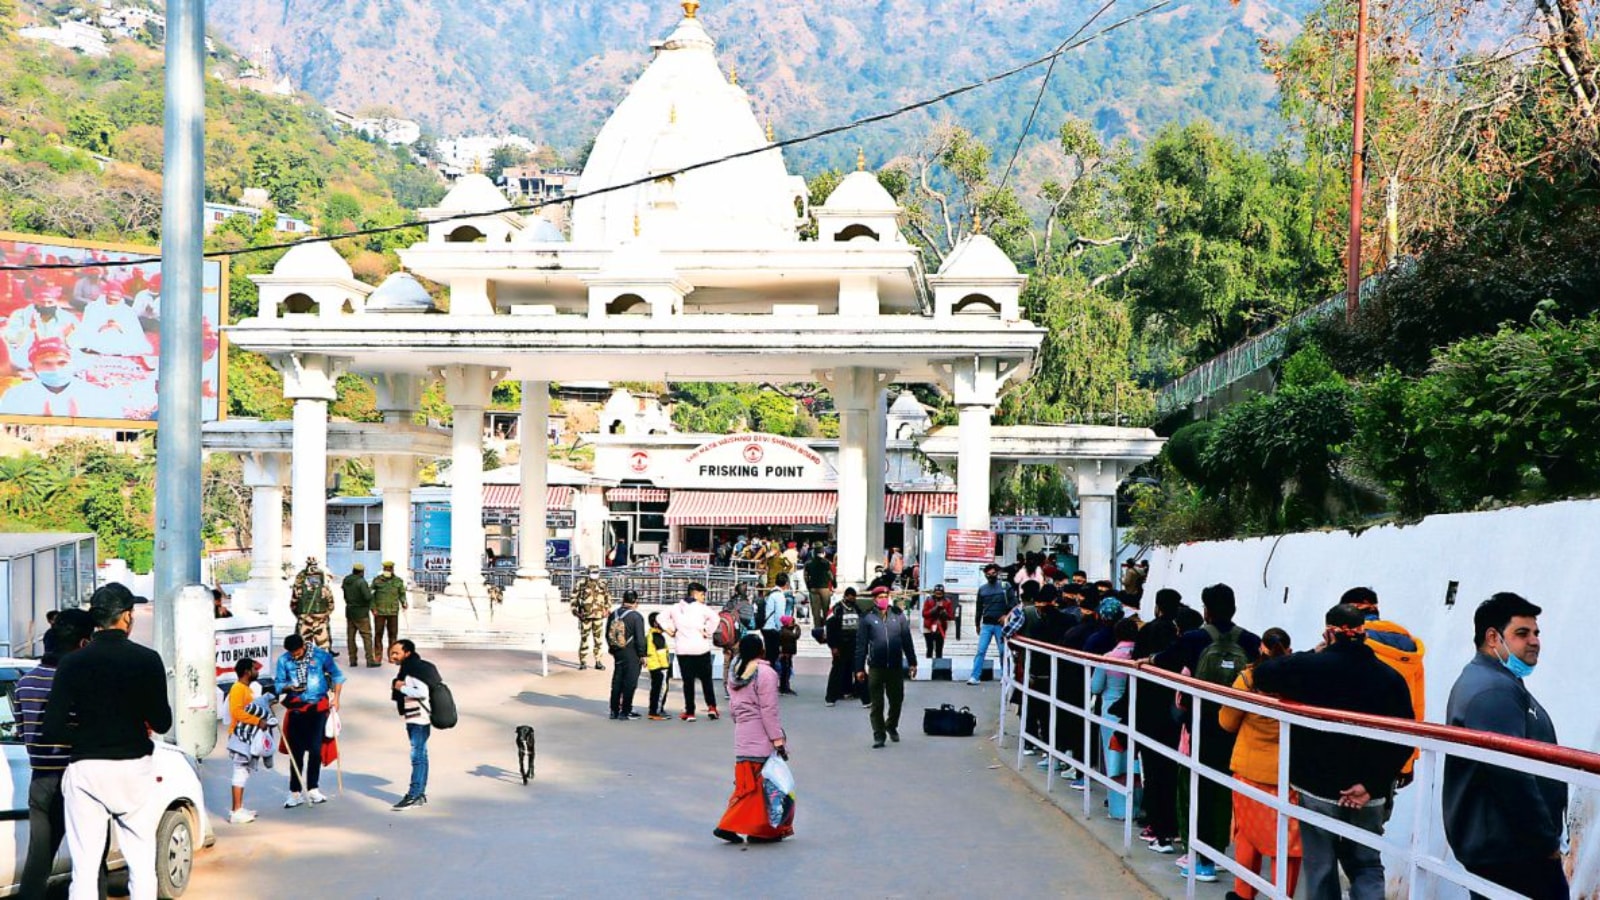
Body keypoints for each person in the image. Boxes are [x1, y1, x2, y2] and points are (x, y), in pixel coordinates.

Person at [1251, 604, 1414, 900]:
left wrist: (1315, 652)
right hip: (1369, 793)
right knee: (1366, 864)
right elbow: (1405, 736)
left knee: (1321, 866)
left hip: (1317, 787)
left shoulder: (1310, 668)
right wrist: (1372, 784)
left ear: (1329, 632)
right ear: (1364, 635)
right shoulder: (1390, 677)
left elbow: (1262, 675)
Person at [43, 584, 172, 900]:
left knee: (84, 869)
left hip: (86, 768)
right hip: (134, 768)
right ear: (127, 616)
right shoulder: (147, 659)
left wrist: (86, 737)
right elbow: (162, 722)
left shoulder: (72, 663)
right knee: (142, 863)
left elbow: (51, 729)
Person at [1443, 593, 1566, 900]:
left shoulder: (1494, 679)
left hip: (1504, 843)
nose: (1535, 641)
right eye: (1522, 633)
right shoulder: (1492, 690)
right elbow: (1509, 773)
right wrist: (1546, 841)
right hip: (1512, 851)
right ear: (1493, 638)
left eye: (1536, 633)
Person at [1155, 583, 1261, 883]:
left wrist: (1147, 661)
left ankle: (1198, 856)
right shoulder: (1250, 640)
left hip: (1200, 725)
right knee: (1224, 789)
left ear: (1206, 610)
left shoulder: (1194, 638)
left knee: (1192, 787)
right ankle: (1218, 851)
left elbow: (1165, 661)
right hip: (1236, 726)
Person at [19, 609, 100, 897]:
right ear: (82, 644)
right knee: (91, 860)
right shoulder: (80, 682)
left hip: (40, 779)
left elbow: (22, 729)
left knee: (38, 860)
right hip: (76, 775)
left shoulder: (23, 683)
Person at [1218, 627, 1302, 900]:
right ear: (1288, 650)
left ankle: (1243, 894)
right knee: (1287, 841)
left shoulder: (1248, 678)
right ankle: (1282, 894)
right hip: (1288, 772)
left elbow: (1227, 722)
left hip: (1248, 768)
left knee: (1247, 835)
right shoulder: (1299, 681)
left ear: (1260, 648)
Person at [1341, 586, 1426, 785]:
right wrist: (1409, 760)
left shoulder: (1349, 645)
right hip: (1394, 751)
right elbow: (1417, 706)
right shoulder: (1410, 649)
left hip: (1351, 749)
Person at [713, 634, 791, 844]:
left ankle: (747, 828)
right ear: (761, 650)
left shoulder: (735, 674)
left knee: (746, 786)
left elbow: (733, 708)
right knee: (763, 788)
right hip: (761, 737)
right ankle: (735, 826)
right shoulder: (766, 673)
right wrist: (778, 740)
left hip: (743, 734)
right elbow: (769, 711)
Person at [274, 632, 346, 808]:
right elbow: (277, 683)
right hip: (296, 710)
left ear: (303, 647)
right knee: (296, 753)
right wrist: (288, 686)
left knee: (315, 750)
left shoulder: (320, 656)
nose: (294, 656)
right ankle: (295, 792)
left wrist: (336, 698)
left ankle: (313, 788)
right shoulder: (284, 660)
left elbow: (337, 676)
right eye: (291, 653)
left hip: (317, 708)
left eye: (297, 652)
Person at [1132, 617, 1185, 853]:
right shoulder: (1179, 664)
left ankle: (1159, 830)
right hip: (1177, 727)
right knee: (1175, 775)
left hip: (1152, 724)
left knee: (1154, 775)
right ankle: (1175, 829)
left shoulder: (1147, 668)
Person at [854, 586, 918, 749]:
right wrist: (859, 668)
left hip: (895, 666)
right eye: (880, 596)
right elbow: (861, 645)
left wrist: (912, 662)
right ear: (874, 599)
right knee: (877, 703)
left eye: (886, 595)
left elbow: (907, 640)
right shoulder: (867, 617)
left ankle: (891, 725)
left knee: (896, 700)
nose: (883, 598)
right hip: (876, 667)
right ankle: (879, 734)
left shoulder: (898, 615)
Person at [1088, 617, 1141, 808]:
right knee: (1134, 759)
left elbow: (1095, 687)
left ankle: (1117, 803)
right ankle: (1136, 803)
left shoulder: (1109, 657)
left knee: (1114, 758)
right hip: (1135, 710)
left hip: (1111, 711)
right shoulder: (1140, 656)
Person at [0, 337, 119, 419]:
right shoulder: (15, 395)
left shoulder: (98, 395)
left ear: (72, 364)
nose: (55, 369)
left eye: (62, 362)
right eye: (46, 363)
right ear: (33, 368)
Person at [389, 639, 443, 811]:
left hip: (418, 718)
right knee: (421, 755)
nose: (393, 656)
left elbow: (421, 692)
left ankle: (414, 795)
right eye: (392, 652)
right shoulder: (416, 668)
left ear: (407, 653)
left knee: (417, 757)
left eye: (396, 653)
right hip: (418, 717)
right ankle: (419, 793)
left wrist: (400, 687)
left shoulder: (413, 671)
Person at [224, 658, 274, 825]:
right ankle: (236, 811)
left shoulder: (245, 689)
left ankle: (239, 808)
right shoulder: (238, 688)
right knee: (240, 770)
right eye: (254, 669)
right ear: (247, 671)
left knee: (244, 771)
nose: (257, 671)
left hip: (245, 735)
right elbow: (236, 712)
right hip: (239, 735)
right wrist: (258, 721)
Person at [664, 582, 719, 722]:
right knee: (706, 680)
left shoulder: (675, 608)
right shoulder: (702, 608)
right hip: (701, 648)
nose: (703, 598)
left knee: (688, 682)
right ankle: (712, 707)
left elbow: (659, 618)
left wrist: (670, 631)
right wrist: (707, 631)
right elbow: (716, 618)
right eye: (702, 594)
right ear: (695, 593)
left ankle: (690, 712)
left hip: (683, 649)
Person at [968, 563, 1015, 685]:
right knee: (981, 650)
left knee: (1002, 651)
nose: (991, 576)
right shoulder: (982, 589)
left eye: (993, 573)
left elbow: (1014, 605)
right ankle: (975, 676)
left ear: (997, 574)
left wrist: (1006, 616)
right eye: (988, 574)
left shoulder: (1006, 586)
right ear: (985, 575)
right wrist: (977, 624)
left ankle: (1005, 676)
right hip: (987, 624)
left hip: (1001, 625)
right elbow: (979, 608)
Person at [606, 591, 647, 720]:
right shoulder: (636, 616)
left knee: (617, 680)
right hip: (631, 652)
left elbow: (607, 633)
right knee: (630, 682)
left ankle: (614, 710)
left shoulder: (614, 614)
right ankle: (626, 710)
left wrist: (612, 648)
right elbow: (640, 638)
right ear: (636, 601)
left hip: (618, 651)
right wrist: (643, 654)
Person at [824, 587, 862, 707]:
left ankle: (849, 691)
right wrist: (833, 646)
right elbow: (830, 629)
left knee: (853, 668)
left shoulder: (856, 608)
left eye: (854, 597)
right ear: (845, 596)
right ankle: (831, 696)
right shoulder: (837, 609)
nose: (852, 599)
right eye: (850, 597)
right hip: (840, 644)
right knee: (837, 670)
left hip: (853, 644)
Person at [291, 557, 337, 655]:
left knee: (304, 646)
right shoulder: (325, 588)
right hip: (320, 620)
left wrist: (302, 616)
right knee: (323, 646)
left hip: (305, 620)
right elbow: (331, 604)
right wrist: (324, 615)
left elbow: (293, 605)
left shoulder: (299, 587)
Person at [570, 566, 611, 671]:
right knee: (584, 639)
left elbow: (607, 597)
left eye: (596, 572)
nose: (595, 574)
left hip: (598, 615)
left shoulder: (603, 583)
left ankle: (598, 661)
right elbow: (574, 598)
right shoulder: (581, 583)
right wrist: (575, 611)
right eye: (593, 572)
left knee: (598, 640)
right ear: (588, 572)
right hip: (585, 616)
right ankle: (583, 661)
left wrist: (607, 609)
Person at [342, 562, 378, 667]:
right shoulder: (361, 582)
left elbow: (345, 595)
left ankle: (352, 660)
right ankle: (370, 660)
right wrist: (372, 594)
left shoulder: (346, 580)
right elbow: (367, 597)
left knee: (351, 637)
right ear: (361, 572)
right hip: (361, 612)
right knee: (366, 636)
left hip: (350, 611)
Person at [371, 561, 406, 652]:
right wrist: (373, 608)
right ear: (383, 569)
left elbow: (402, 594)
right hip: (379, 612)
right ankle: (378, 654)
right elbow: (371, 595)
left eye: (390, 569)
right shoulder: (377, 581)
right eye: (386, 569)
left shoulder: (398, 581)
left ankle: (392, 654)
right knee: (378, 634)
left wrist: (404, 602)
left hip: (393, 612)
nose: (388, 570)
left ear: (392, 569)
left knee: (393, 635)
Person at [759, 573, 792, 665]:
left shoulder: (770, 593)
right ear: (786, 583)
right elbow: (779, 616)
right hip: (772, 628)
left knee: (769, 654)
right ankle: (771, 676)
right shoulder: (779, 596)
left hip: (764, 626)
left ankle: (767, 674)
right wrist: (781, 630)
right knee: (773, 656)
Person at [646, 612, 673, 720]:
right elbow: (661, 654)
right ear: (656, 623)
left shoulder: (651, 633)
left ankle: (656, 709)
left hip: (654, 666)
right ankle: (655, 711)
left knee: (656, 689)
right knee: (661, 690)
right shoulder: (657, 636)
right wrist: (666, 667)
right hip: (659, 667)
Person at [921, 584, 954, 660]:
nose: (938, 595)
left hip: (941, 627)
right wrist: (934, 609)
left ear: (943, 593)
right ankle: (928, 664)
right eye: (937, 593)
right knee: (930, 648)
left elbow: (951, 616)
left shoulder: (947, 601)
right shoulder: (929, 600)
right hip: (929, 627)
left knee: (939, 649)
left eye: (940, 593)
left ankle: (938, 666)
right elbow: (924, 614)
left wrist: (944, 613)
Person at [803, 548, 835, 623]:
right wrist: (834, 584)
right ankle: (825, 627)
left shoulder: (808, 563)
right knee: (825, 611)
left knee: (816, 612)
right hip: (824, 588)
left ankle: (817, 628)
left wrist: (808, 586)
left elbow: (805, 576)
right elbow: (830, 575)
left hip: (813, 589)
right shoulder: (826, 563)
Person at [776, 615, 800, 695]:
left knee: (786, 670)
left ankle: (785, 687)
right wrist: (798, 629)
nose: (793, 623)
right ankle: (784, 688)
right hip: (786, 654)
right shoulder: (786, 632)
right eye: (791, 622)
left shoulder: (784, 630)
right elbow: (795, 636)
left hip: (787, 653)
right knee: (785, 671)